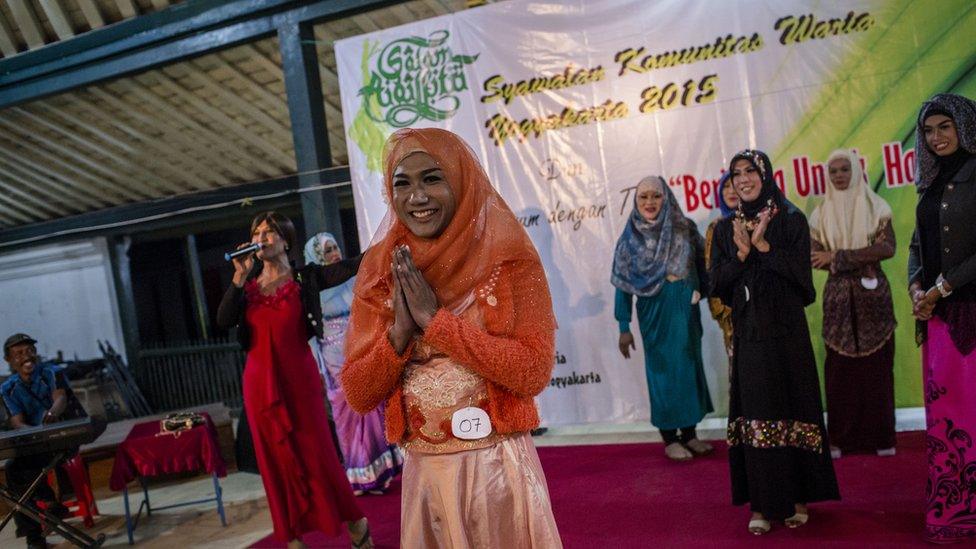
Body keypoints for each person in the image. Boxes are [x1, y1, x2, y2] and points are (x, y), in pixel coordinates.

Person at [340, 128, 562, 548]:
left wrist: (438, 323)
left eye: (432, 178)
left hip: (497, 471)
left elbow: (532, 372)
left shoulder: (508, 259)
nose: (416, 197)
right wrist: (401, 334)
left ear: (461, 181)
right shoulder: (383, 271)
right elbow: (358, 393)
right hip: (426, 476)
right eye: (401, 183)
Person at [216, 212, 372, 549]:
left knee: (318, 453)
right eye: (257, 232)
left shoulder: (305, 278)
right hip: (259, 384)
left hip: (299, 381)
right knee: (275, 462)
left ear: (286, 240)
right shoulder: (248, 287)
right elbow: (223, 319)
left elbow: (348, 266)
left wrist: (389, 242)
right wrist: (238, 278)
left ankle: (355, 522)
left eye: (269, 231)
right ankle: (293, 538)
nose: (262, 237)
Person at [709, 149, 839, 535]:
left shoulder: (792, 220)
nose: (743, 179)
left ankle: (798, 497)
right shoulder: (724, 229)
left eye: (751, 170)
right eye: (736, 173)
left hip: (787, 333)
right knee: (757, 413)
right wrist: (743, 254)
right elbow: (717, 283)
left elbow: (804, 283)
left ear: (765, 175)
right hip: (750, 334)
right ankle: (762, 504)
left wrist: (764, 248)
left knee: (791, 406)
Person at [907, 93, 976, 544]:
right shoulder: (930, 184)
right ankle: (952, 508)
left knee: (968, 411)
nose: (936, 138)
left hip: (969, 312)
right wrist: (917, 288)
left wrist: (944, 286)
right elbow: (917, 245)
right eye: (929, 131)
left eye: (944, 127)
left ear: (965, 126)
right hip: (936, 316)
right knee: (945, 413)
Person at [612, 175, 714, 461]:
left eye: (655, 196)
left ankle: (690, 434)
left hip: (686, 310)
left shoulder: (684, 227)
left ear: (666, 197)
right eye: (643, 196)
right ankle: (670, 437)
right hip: (654, 314)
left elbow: (704, 263)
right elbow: (623, 286)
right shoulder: (631, 236)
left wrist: (700, 289)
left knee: (690, 368)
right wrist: (624, 326)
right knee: (664, 373)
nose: (650, 202)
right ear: (636, 200)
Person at [809, 148, 896, 459]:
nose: (839, 176)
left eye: (845, 169)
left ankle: (882, 437)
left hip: (874, 302)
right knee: (840, 374)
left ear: (856, 171)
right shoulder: (819, 215)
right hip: (837, 303)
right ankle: (841, 439)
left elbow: (886, 248)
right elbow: (815, 257)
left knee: (877, 371)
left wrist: (839, 257)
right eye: (833, 172)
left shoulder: (877, 207)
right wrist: (858, 256)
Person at [303, 233, 403, 495]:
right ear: (316, 257)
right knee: (346, 412)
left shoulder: (351, 276)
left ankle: (379, 473)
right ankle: (358, 474)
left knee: (369, 406)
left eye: (335, 247)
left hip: (359, 346)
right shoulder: (313, 288)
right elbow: (312, 331)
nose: (334, 253)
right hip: (333, 356)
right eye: (327, 251)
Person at [2, 333, 73, 549]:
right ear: (9, 361)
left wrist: (51, 414)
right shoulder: (8, 388)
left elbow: (60, 398)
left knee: (19, 472)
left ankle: (35, 538)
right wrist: (34, 432)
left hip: (62, 438)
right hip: (36, 443)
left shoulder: (52, 373)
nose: (27, 357)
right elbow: (17, 422)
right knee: (13, 469)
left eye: (30, 351)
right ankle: (50, 507)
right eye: (19, 353)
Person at [705, 172, 738, 361]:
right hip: (728, 310)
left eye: (735, 185)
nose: (731, 191)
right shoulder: (715, 228)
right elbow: (712, 272)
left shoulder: (756, 221)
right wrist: (722, 312)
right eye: (726, 186)